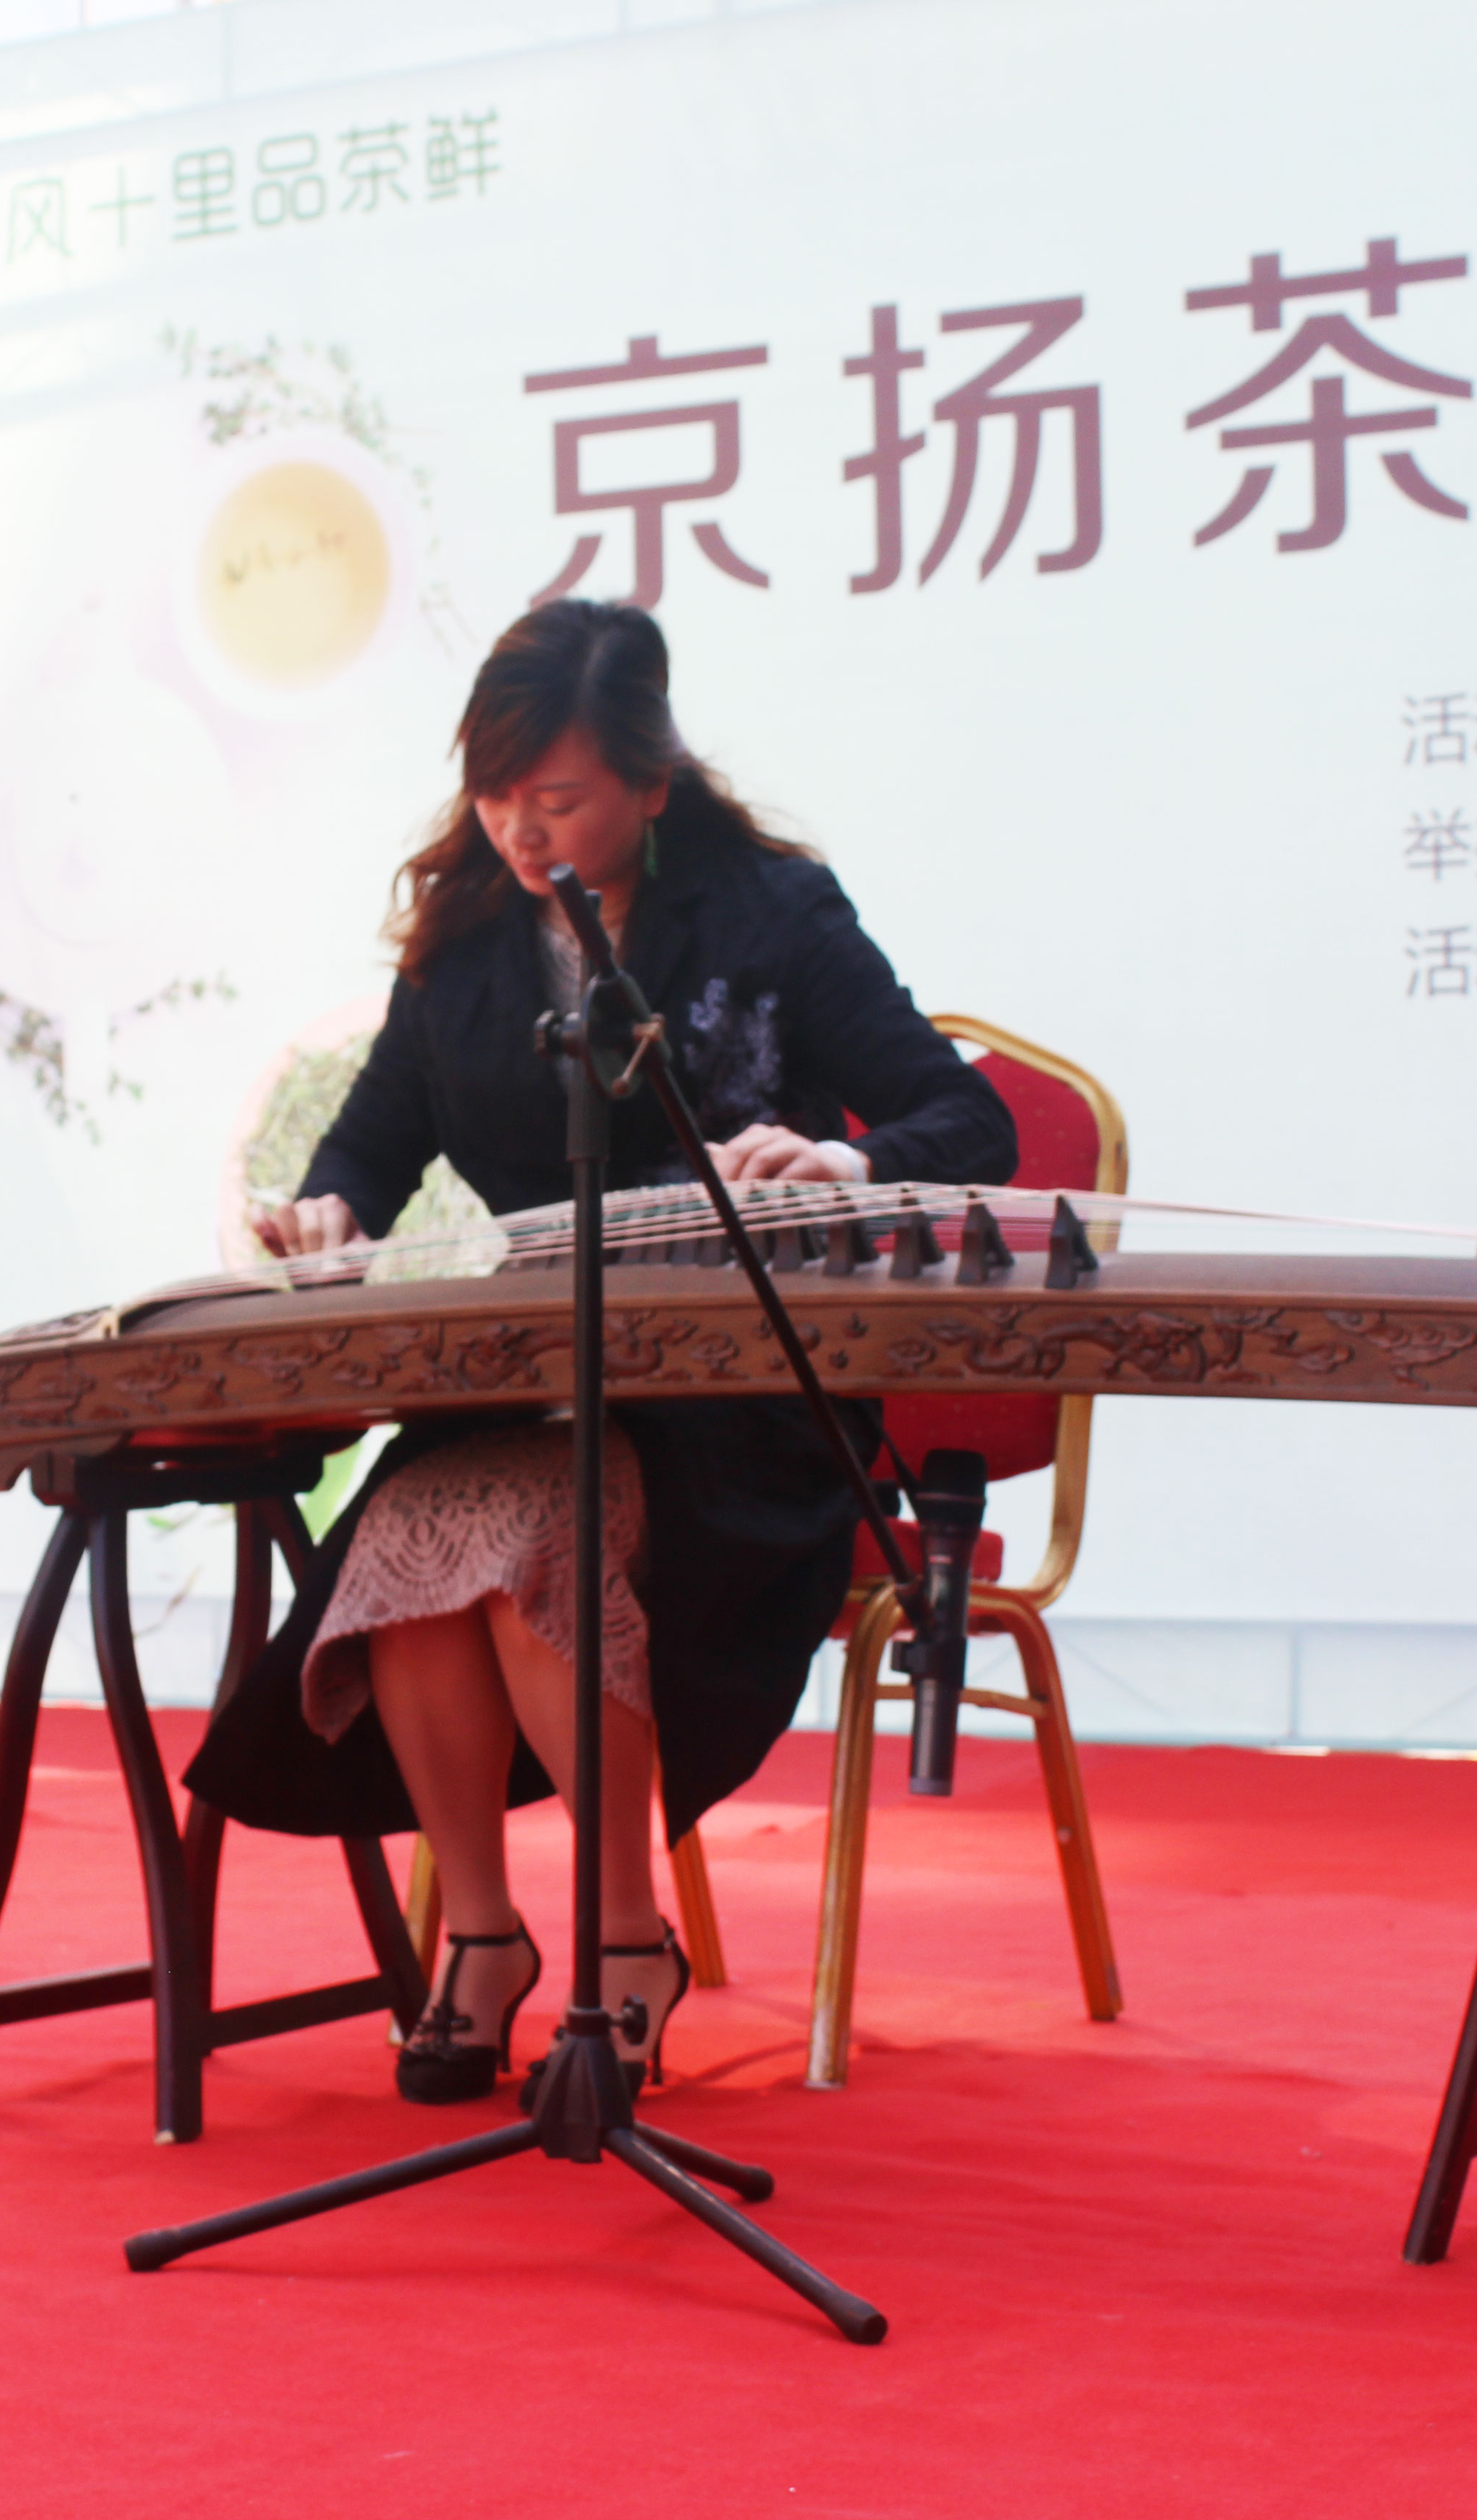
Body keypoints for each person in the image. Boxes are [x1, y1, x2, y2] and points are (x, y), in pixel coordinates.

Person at [185, 598, 1015, 2104]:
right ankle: (489, 1937)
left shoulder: (771, 911)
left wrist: (848, 1164)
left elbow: (968, 1118)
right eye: (496, 792)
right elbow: (375, 1142)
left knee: (521, 1538)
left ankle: (624, 1939)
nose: (519, 828)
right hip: (539, 1381)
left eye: (557, 797)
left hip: (736, 1415)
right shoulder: (464, 937)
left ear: (649, 779)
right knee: (426, 1535)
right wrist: (324, 1213)